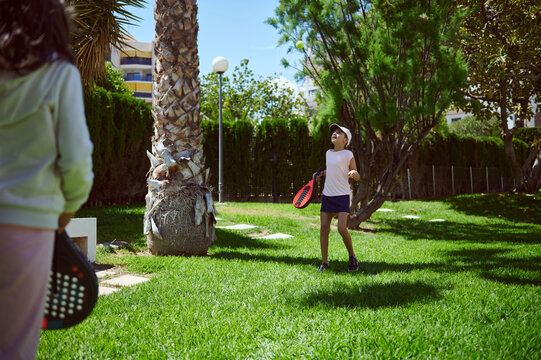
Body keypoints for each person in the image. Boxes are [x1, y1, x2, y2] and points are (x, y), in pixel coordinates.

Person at [0, 0, 94, 359]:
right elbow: (76, 160)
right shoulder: (59, 74)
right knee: (15, 344)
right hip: (27, 226)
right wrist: (68, 207)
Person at [316, 123, 360, 272]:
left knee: (341, 228)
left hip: (342, 195)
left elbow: (356, 173)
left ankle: (352, 257)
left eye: (339, 133)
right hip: (328, 195)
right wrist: (320, 174)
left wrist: (354, 175)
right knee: (324, 228)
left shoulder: (348, 154)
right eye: (334, 132)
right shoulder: (328, 153)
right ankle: (325, 262)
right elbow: (333, 170)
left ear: (346, 140)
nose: (335, 133)